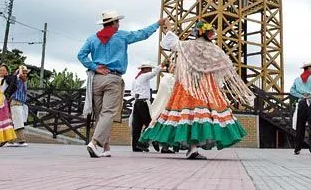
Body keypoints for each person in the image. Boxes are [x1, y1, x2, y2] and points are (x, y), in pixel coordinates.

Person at [140, 19, 255, 160]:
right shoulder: (213, 50)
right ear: (208, 34)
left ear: (196, 33)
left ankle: (190, 148)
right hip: (206, 87)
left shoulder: (188, 46)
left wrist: (169, 27)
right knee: (201, 116)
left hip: (187, 86)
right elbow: (228, 68)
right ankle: (192, 149)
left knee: (187, 116)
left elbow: (172, 43)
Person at [77, 10, 165, 158]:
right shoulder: (121, 36)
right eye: (118, 21)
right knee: (108, 113)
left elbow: (81, 55)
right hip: (113, 77)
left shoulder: (92, 39)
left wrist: (95, 67)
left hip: (96, 79)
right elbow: (141, 34)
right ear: (114, 23)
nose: (119, 23)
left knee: (100, 115)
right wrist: (157, 24)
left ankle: (106, 148)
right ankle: (94, 142)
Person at [130, 62, 162, 152]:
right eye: (149, 68)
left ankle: (136, 145)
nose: (150, 70)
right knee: (150, 123)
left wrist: (136, 95)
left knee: (137, 125)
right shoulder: (144, 77)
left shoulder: (136, 79)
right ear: (144, 70)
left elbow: (132, 92)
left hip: (137, 102)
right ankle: (152, 141)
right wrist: (161, 65)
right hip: (143, 103)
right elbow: (155, 72)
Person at [289, 61, 311, 156]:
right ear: (309, 68)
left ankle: (297, 148)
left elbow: (292, 91)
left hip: (302, 102)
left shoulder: (297, 79)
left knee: (300, 126)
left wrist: (301, 96)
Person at [9, 65, 30, 147]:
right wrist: (20, 68)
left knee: (17, 121)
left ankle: (11, 140)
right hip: (16, 102)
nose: (25, 74)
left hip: (21, 103)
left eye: (26, 73)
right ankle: (21, 140)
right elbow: (20, 75)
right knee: (18, 121)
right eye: (23, 72)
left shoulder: (24, 81)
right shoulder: (17, 79)